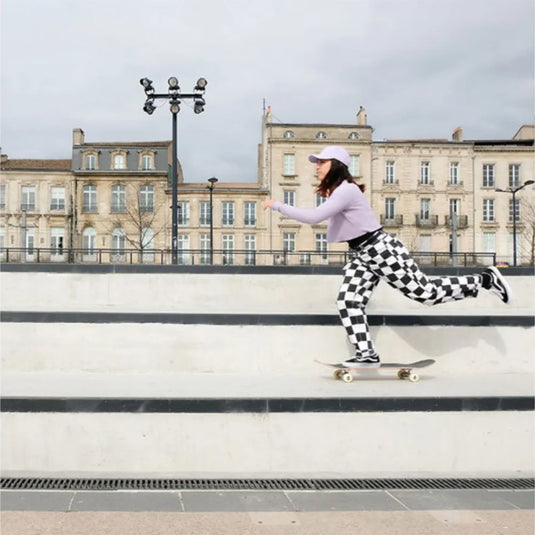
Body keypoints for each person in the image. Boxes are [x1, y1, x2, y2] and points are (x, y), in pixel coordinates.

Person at [263, 146, 511, 368]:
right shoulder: (339, 191)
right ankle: (366, 354)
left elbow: (313, 218)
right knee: (348, 302)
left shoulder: (346, 190)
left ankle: (484, 280)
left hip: (381, 250)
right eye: (317, 163)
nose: (316, 167)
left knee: (426, 293)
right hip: (363, 255)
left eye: (321, 162)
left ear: (335, 166)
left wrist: (277, 205)